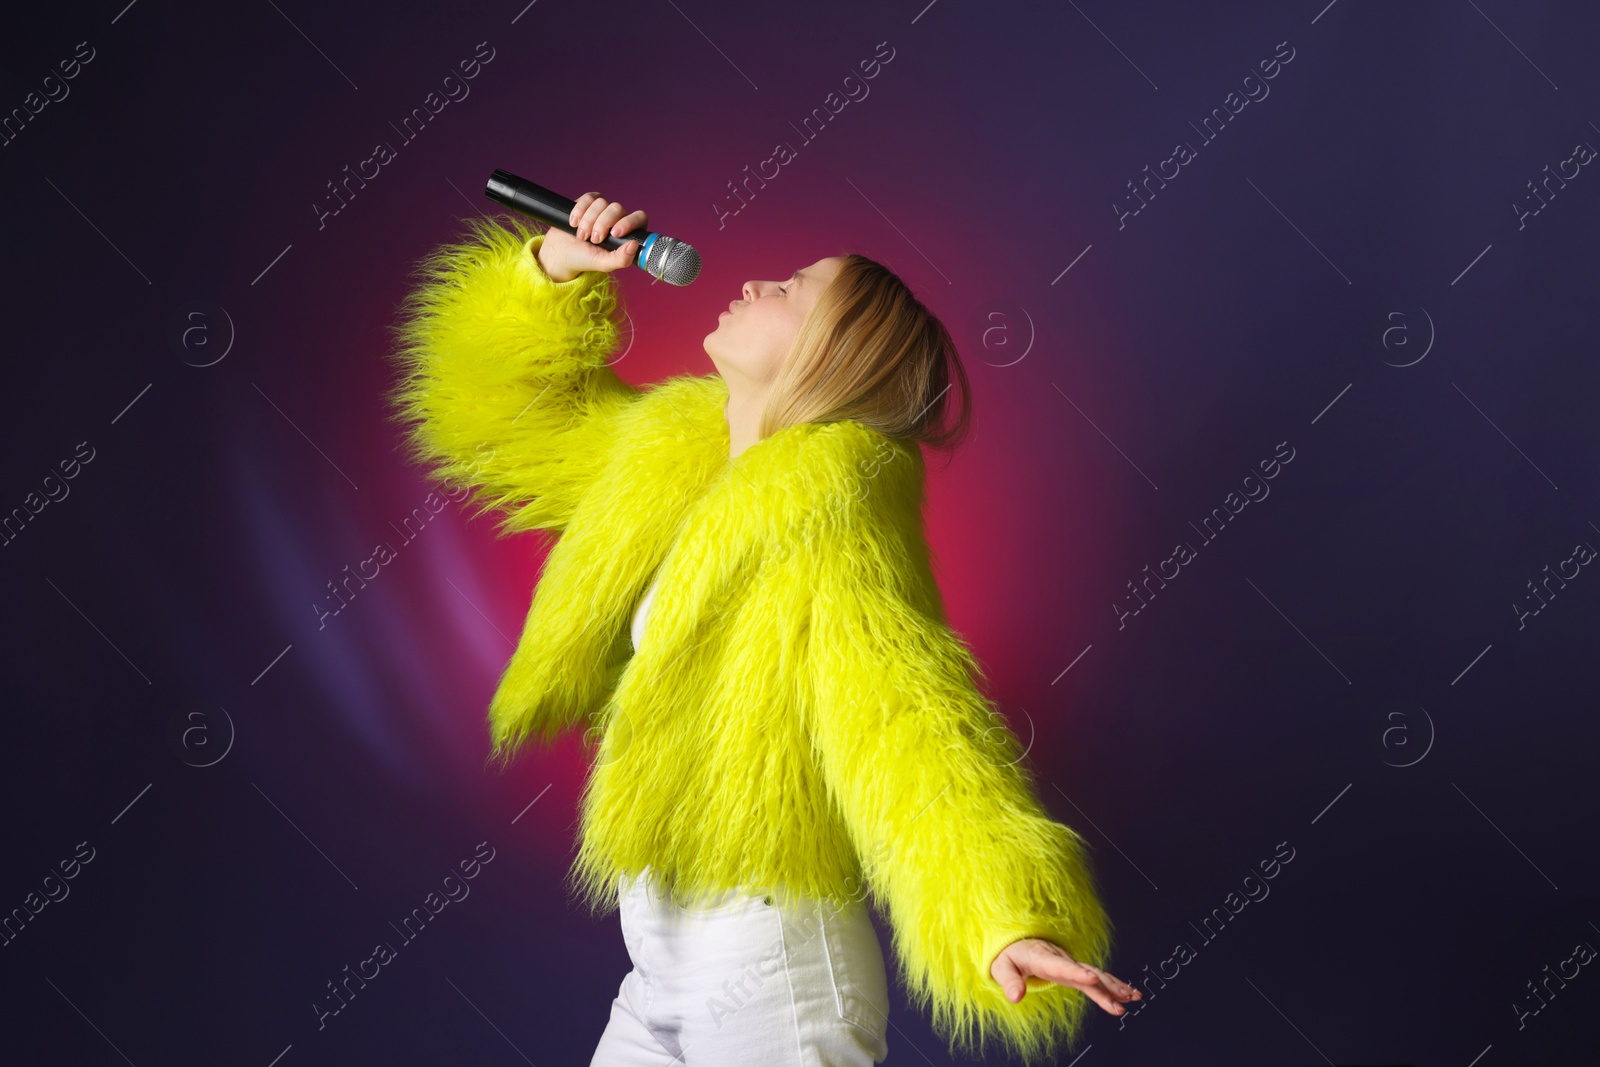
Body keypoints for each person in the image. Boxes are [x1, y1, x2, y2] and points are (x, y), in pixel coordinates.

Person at [385, 193, 1140, 1066]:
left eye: (791, 287)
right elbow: (501, 430)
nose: (753, 281)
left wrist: (1000, 914)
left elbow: (904, 716)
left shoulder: (834, 505)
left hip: (773, 962)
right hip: (659, 956)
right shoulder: (666, 457)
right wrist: (552, 275)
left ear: (836, 352)